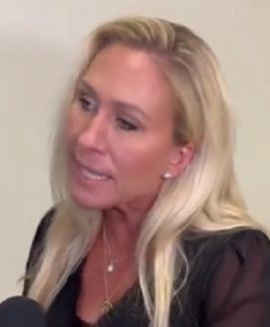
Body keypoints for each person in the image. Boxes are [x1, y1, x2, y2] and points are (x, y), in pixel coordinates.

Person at [23, 17, 270, 327]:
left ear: (179, 157)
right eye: (86, 102)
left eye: (126, 123)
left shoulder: (232, 265)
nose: (87, 138)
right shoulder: (57, 235)